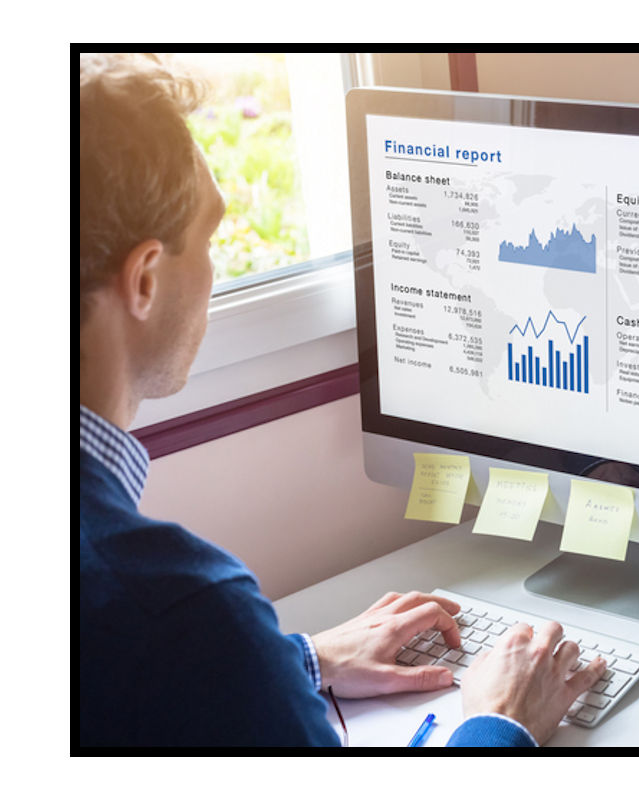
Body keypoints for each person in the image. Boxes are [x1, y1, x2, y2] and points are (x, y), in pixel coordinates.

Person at [77, 52, 605, 748]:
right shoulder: (182, 611)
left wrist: (291, 662)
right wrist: (497, 722)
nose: (215, 270)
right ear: (143, 278)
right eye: (210, 238)